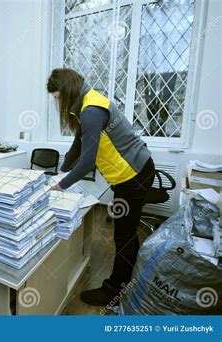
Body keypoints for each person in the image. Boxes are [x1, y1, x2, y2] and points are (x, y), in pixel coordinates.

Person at [47, 68, 155, 306]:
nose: (57, 104)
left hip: (133, 175)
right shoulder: (85, 104)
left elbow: (87, 162)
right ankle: (130, 276)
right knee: (126, 230)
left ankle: (115, 292)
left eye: (57, 98)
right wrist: (62, 171)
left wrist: (60, 185)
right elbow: (78, 143)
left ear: (66, 91)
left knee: (124, 234)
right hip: (129, 174)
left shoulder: (91, 111)